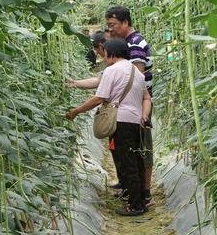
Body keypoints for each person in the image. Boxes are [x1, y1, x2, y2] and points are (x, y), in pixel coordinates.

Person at [65, 39, 152, 216]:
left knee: (126, 163)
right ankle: (139, 199)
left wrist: (76, 111)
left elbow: (99, 98)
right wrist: (144, 116)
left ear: (111, 54)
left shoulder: (112, 71)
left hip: (120, 122)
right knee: (135, 160)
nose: (104, 58)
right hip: (135, 122)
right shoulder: (137, 73)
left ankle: (135, 206)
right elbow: (146, 98)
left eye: (105, 54)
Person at [105, 7, 154, 205]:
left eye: (113, 25)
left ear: (125, 22)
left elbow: (134, 77)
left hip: (139, 106)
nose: (111, 29)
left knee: (141, 150)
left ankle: (144, 193)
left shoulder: (135, 44)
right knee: (132, 151)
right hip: (137, 105)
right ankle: (133, 188)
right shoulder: (130, 43)